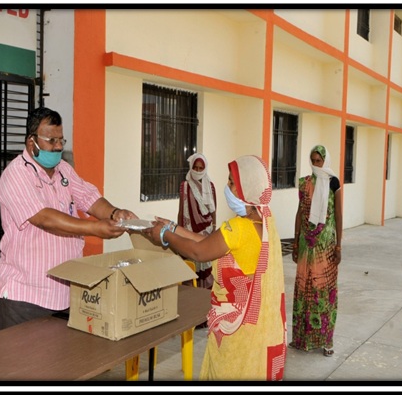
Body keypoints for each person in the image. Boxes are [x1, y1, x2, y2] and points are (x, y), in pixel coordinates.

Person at [142, 155, 286, 380]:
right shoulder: (267, 224)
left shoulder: (238, 228)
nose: (227, 187)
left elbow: (198, 252)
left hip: (236, 331)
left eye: (231, 183)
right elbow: (205, 242)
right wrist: (173, 228)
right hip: (258, 327)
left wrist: (164, 235)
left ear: (245, 189)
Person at [0, 107, 137, 331]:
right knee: (24, 364)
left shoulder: (64, 170)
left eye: (61, 140)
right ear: (32, 142)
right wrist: (96, 228)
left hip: (65, 293)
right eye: (51, 140)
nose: (58, 146)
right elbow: (44, 218)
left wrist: (114, 213)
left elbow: (90, 198)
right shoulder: (15, 175)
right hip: (26, 295)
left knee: (65, 364)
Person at [291, 145, 343, 355]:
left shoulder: (333, 182)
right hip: (306, 246)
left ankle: (326, 341)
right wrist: (295, 243)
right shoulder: (305, 184)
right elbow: (299, 214)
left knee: (324, 293)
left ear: (326, 161)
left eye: (319, 161)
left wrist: (339, 245)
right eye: (313, 161)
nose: (315, 165)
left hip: (326, 247)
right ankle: (301, 339)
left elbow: (338, 215)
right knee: (304, 291)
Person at [177, 153, 216, 291]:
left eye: (201, 168)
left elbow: (213, 208)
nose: (198, 171)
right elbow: (181, 209)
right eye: (196, 168)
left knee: (204, 261)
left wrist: (214, 226)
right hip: (189, 230)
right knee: (191, 261)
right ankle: (192, 291)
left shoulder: (210, 186)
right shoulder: (185, 186)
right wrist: (178, 230)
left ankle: (204, 290)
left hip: (206, 230)